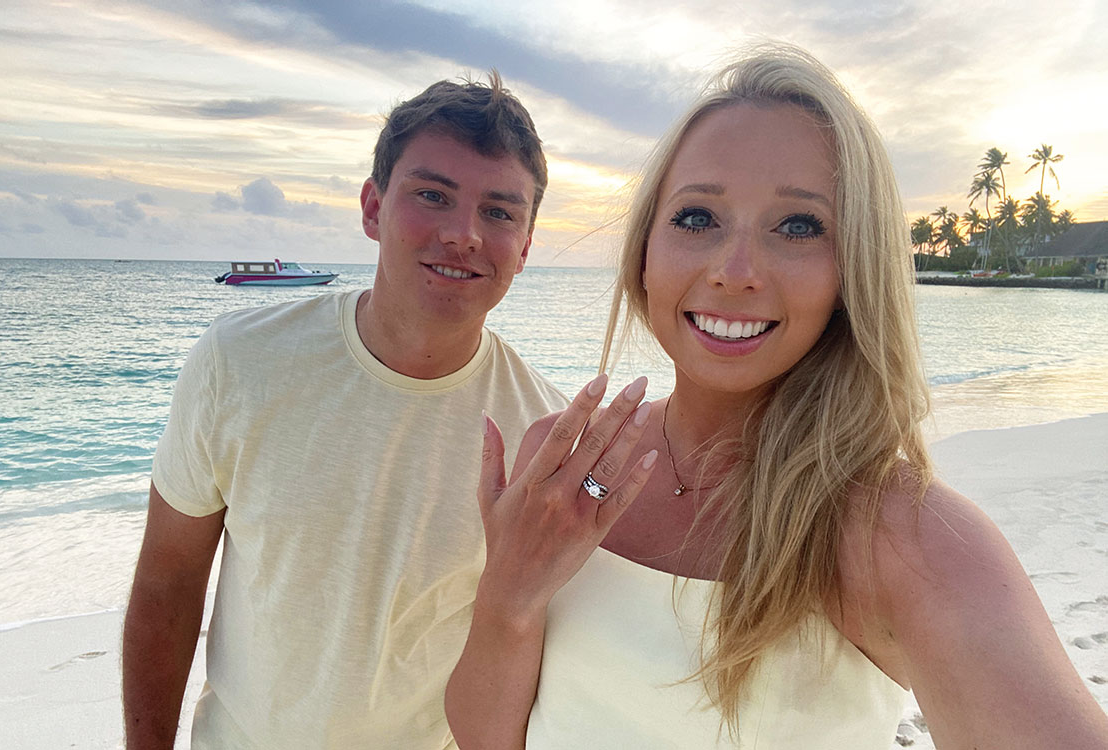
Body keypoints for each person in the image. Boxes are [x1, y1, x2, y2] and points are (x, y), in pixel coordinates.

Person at [445, 45, 1108, 749]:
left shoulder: (900, 535)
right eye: (697, 218)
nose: (734, 273)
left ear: (852, 268)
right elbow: (488, 736)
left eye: (797, 226)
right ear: (645, 250)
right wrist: (505, 604)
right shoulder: (563, 462)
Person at [122, 72, 568, 749]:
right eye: (432, 195)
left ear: (527, 246)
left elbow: (535, 654)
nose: (463, 234)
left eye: (500, 212)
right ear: (372, 206)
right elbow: (167, 583)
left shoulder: (544, 430)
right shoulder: (240, 361)